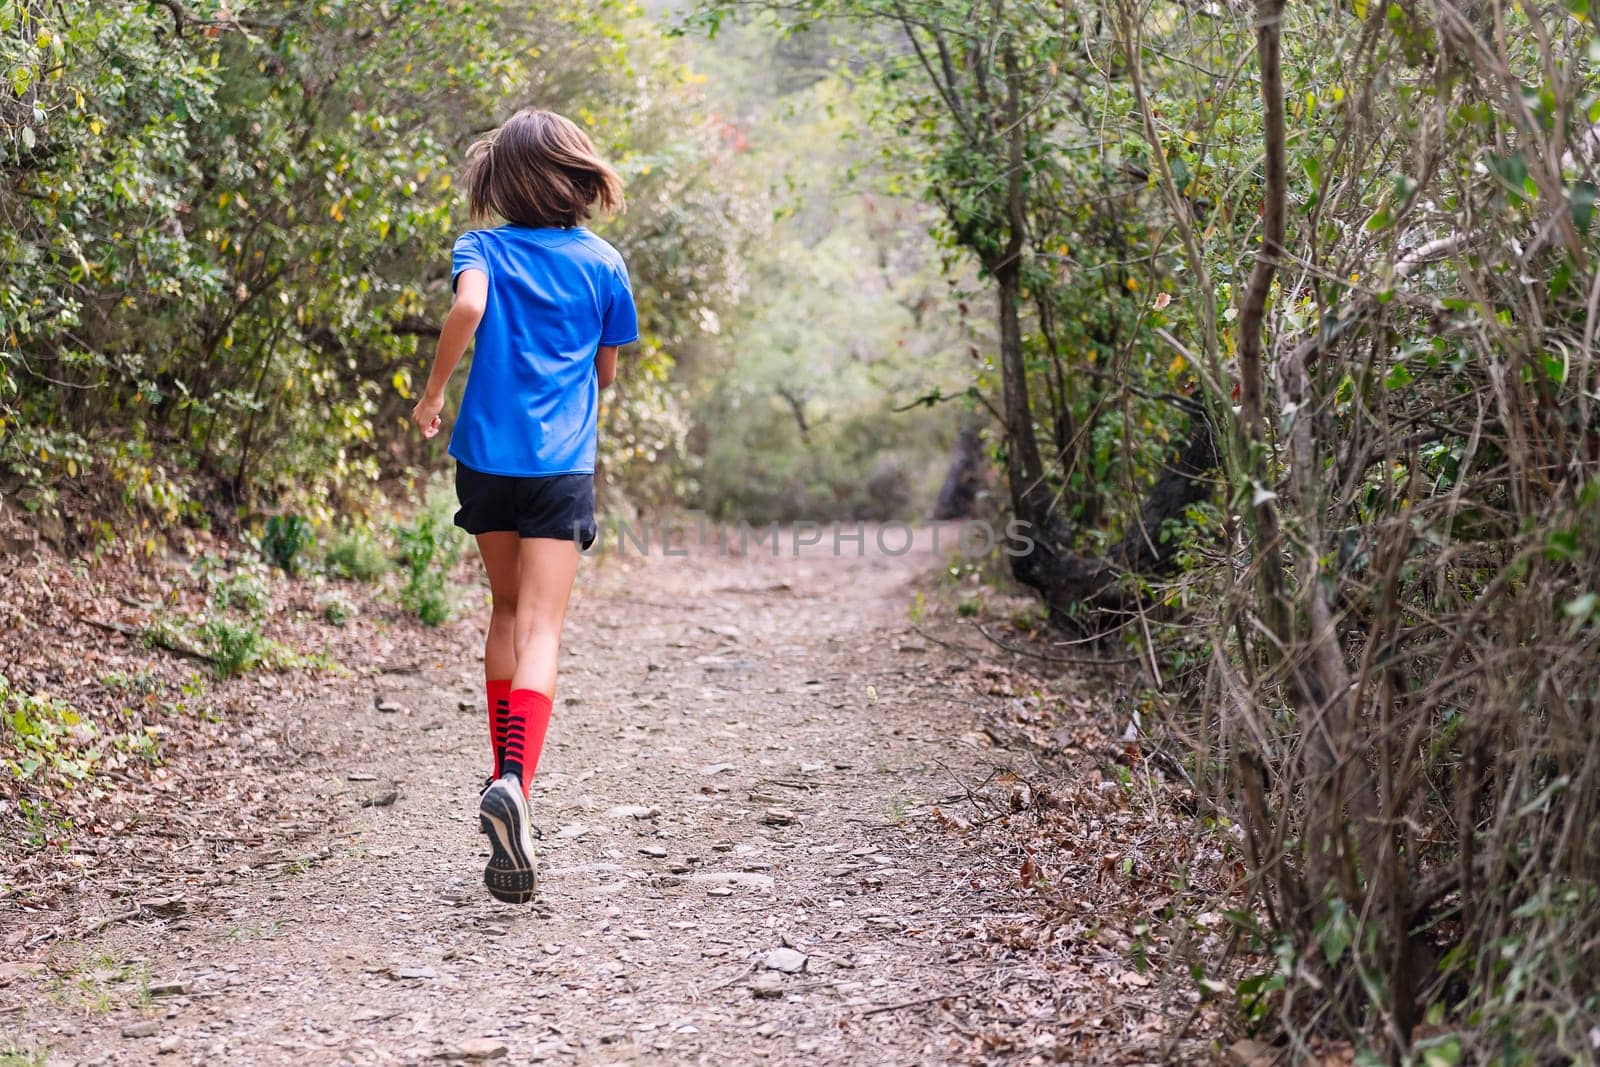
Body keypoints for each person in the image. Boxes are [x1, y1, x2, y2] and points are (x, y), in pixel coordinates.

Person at [410, 109, 637, 904]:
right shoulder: (604, 264)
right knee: (543, 625)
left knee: (504, 611)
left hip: (486, 462)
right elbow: (605, 376)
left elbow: (467, 310)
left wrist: (434, 393)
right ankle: (515, 779)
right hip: (560, 465)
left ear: (499, 183)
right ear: (578, 178)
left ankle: (503, 778)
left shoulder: (481, 249)